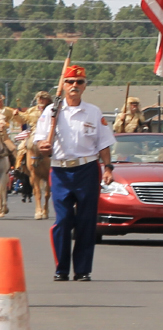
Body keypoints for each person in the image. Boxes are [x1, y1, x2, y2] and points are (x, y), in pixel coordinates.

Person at [32, 64, 114, 281]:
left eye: (79, 82)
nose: (74, 86)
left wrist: (108, 168)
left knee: (87, 221)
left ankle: (82, 270)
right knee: (64, 220)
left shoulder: (94, 112)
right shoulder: (52, 112)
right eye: (70, 82)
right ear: (63, 85)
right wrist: (43, 146)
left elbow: (104, 144)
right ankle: (61, 268)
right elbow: (39, 138)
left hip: (87, 168)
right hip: (60, 170)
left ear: (85, 86)